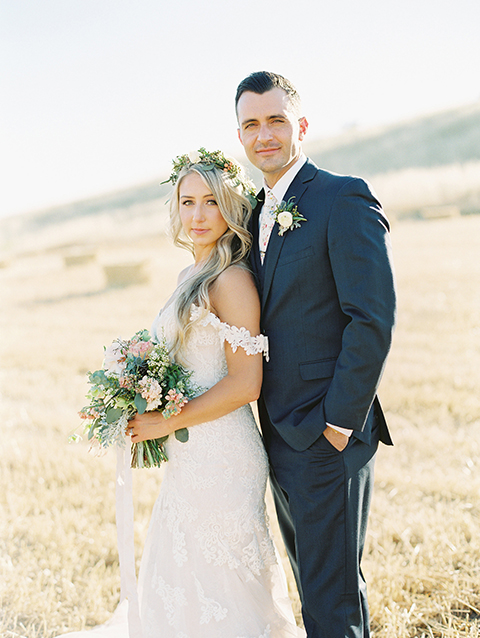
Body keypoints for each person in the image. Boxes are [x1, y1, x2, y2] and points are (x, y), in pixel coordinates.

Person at [56, 149, 304, 638]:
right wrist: (139, 384)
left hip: (225, 455)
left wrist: (167, 420)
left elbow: (246, 382)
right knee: (182, 582)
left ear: (230, 208)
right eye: (187, 202)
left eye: (211, 202)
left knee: (224, 586)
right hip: (190, 455)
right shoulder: (188, 276)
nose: (197, 215)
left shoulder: (230, 280)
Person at [235, 71, 397, 638]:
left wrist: (337, 423)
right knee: (321, 593)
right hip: (277, 435)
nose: (265, 135)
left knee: (330, 604)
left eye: (276, 120)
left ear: (300, 125)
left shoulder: (340, 196)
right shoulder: (252, 214)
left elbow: (371, 319)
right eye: (251, 124)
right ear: (240, 136)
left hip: (327, 434)